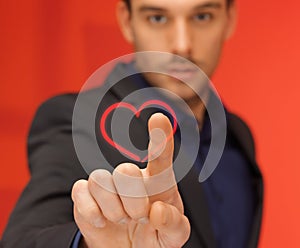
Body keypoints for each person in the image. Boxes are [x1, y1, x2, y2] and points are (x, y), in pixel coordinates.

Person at [1, 0, 263, 247]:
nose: (183, 45)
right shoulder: (79, 120)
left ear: (229, 19)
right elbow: (21, 241)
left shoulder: (237, 137)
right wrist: (91, 243)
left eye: (202, 16)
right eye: (158, 18)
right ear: (127, 21)